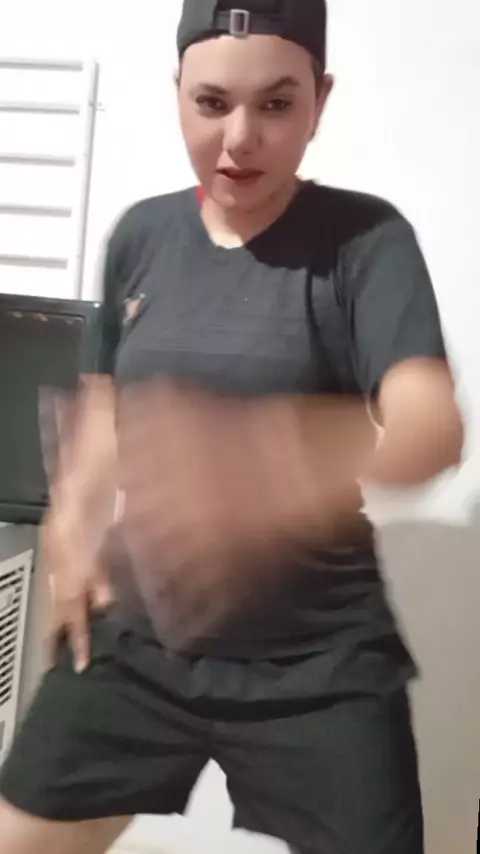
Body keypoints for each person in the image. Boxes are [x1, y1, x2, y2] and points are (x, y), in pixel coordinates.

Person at [0, 2, 464, 853]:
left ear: (320, 100)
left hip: (318, 663)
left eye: (277, 104)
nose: (240, 139)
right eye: (212, 103)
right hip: (138, 635)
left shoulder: (367, 241)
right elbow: (105, 412)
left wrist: (263, 459)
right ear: (177, 91)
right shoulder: (141, 235)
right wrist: (71, 525)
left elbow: (430, 427)